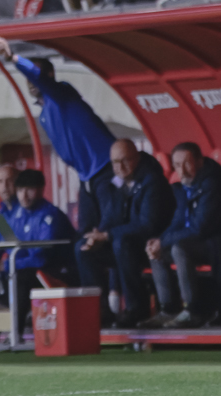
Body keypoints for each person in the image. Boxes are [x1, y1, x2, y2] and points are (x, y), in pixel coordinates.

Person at [0, 34, 116, 234]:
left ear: (49, 76)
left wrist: (13, 57)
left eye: (34, 76)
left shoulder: (62, 93)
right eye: (0, 182)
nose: (31, 81)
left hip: (106, 168)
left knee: (110, 229)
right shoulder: (1, 216)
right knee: (85, 235)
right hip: (86, 177)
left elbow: (39, 78)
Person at [75, 139, 174, 328]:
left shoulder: (153, 181)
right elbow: (110, 217)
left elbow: (148, 225)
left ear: (136, 158)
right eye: (115, 162)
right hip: (124, 245)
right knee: (83, 248)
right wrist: (98, 234)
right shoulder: (117, 183)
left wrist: (108, 235)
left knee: (121, 242)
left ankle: (136, 308)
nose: (120, 167)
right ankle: (99, 310)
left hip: (151, 247)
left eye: (125, 160)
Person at [141, 143, 221, 329]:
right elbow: (178, 221)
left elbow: (200, 227)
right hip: (198, 240)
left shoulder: (212, 183)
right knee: (157, 251)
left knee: (179, 249)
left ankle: (192, 310)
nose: (182, 171)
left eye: (187, 164)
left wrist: (164, 241)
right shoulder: (184, 186)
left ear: (200, 162)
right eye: (177, 165)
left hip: (214, 243)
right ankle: (168, 309)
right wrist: (159, 241)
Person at [7, 169, 78, 328]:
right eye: (20, 190)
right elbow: (8, 247)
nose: (24, 196)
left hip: (60, 270)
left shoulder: (50, 215)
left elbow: (41, 258)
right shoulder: (9, 215)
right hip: (35, 269)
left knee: (21, 277)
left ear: (41, 190)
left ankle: (15, 332)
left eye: (29, 190)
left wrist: (6, 265)